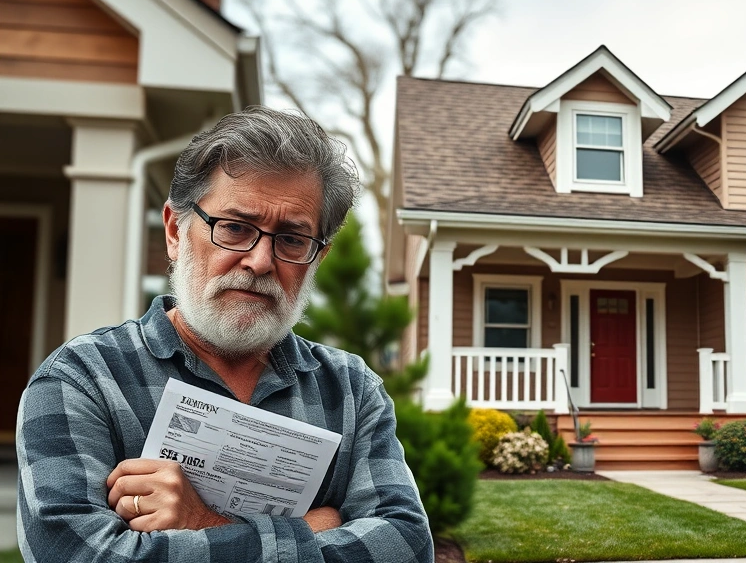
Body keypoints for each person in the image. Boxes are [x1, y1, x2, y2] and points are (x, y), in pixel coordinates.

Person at [16, 106, 433, 562]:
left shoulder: (351, 388)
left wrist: (204, 524)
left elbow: (407, 545)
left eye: (292, 239)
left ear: (318, 258)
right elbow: (76, 554)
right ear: (176, 231)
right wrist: (317, 526)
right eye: (235, 228)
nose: (260, 261)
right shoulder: (83, 379)